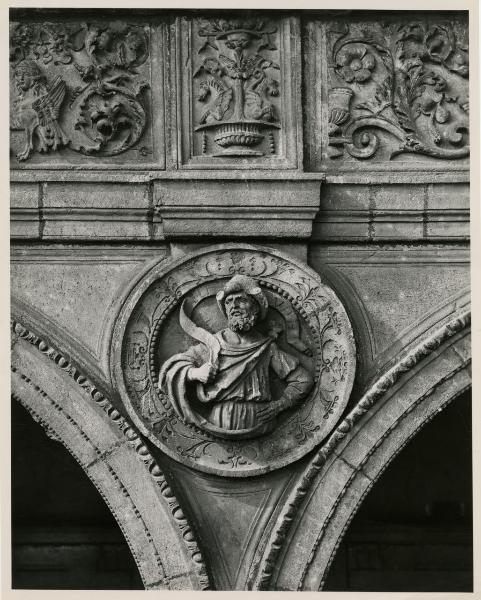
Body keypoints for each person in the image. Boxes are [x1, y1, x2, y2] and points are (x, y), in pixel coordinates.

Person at [158, 274, 313, 438]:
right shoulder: (213, 344)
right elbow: (169, 371)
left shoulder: (267, 347)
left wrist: (280, 405)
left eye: (241, 300)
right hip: (220, 421)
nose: (234, 306)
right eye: (228, 302)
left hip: (260, 423)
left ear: (255, 308)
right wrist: (195, 373)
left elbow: (303, 380)